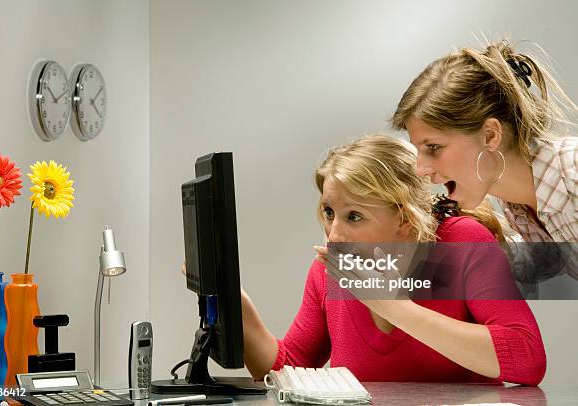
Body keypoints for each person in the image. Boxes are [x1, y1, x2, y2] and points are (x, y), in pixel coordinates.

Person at [240, 135, 546, 386]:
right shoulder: (328, 271)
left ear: (403, 218)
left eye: (354, 216)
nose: (333, 237)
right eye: (329, 213)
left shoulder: (462, 242)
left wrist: (395, 308)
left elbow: (528, 357)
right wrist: (237, 310)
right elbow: (290, 368)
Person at [390, 40, 577, 246]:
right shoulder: (516, 208)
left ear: (490, 136)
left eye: (434, 147)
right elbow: (543, 268)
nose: (420, 169)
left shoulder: (573, 174)